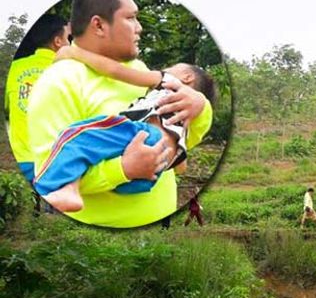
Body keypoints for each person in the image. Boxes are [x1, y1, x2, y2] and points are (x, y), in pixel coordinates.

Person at [26, 0, 213, 228]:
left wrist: (200, 104)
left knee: (89, 135)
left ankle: (68, 186)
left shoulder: (148, 74)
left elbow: (113, 71)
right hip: (98, 235)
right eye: (131, 18)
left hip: (159, 217)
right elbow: (45, 165)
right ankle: (67, 186)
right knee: (80, 141)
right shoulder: (58, 81)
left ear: (186, 79)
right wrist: (123, 169)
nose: (140, 28)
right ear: (99, 25)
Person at [33, 45, 215, 212]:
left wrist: (74, 53)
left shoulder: (167, 81)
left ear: (186, 77)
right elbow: (181, 166)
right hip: (152, 172)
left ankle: (56, 189)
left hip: (143, 136)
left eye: (173, 66)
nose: (166, 68)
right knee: (93, 154)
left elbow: (116, 71)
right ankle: (66, 190)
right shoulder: (189, 120)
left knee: (76, 136)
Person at [5, 14, 70, 182]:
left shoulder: (15, 68)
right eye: (68, 38)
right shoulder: (69, 70)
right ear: (58, 42)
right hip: (54, 162)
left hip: (21, 159)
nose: (70, 44)